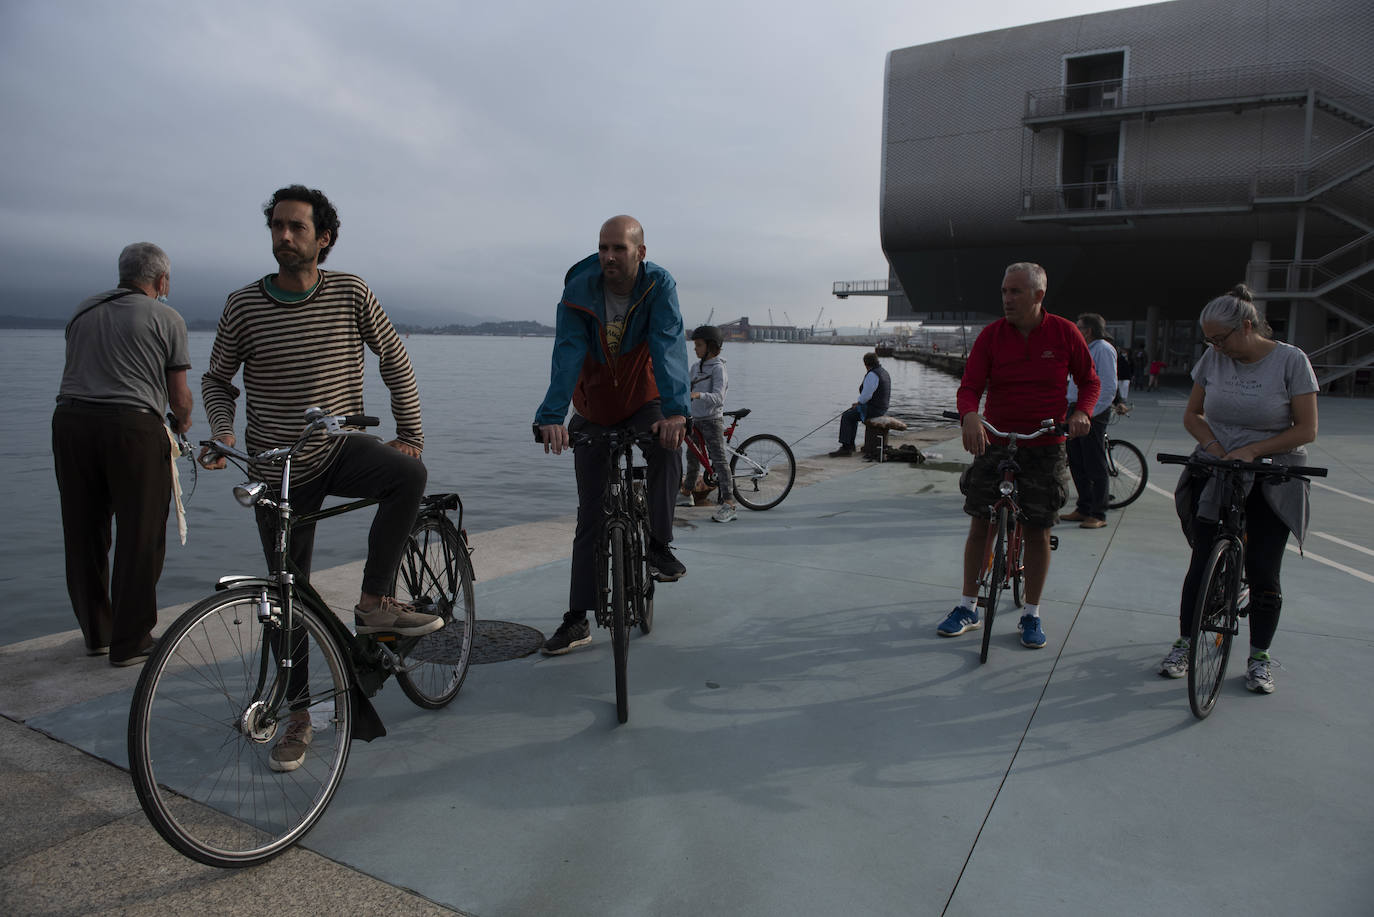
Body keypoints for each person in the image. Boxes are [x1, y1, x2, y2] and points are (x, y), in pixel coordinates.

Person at [201, 184, 441, 771]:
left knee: (409, 474)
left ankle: (373, 601)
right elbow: (217, 380)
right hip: (274, 467)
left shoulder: (350, 292)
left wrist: (409, 430)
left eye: (297, 228)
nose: (284, 236)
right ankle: (300, 716)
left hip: (336, 447)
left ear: (323, 238)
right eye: (277, 226)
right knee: (288, 595)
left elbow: (393, 357)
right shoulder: (243, 305)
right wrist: (222, 432)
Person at [534, 215, 691, 656]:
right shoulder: (579, 289)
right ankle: (576, 619)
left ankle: (659, 543)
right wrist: (551, 415)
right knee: (591, 514)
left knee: (667, 447)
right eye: (603, 247)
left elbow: (668, 344)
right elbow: (566, 352)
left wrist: (677, 412)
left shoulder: (658, 286)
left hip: (645, 400)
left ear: (640, 252)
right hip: (595, 406)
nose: (608, 257)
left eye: (619, 248)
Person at [1157, 284, 1318, 694]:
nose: (1215, 346)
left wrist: (1253, 450)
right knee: (1202, 559)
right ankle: (1186, 641)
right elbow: (1193, 415)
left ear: (1247, 326)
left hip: (1271, 473)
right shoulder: (1213, 359)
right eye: (1208, 340)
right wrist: (1215, 448)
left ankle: (1259, 656)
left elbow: (1307, 428)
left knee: (1265, 568)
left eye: (1221, 338)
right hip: (1219, 467)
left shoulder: (1290, 361)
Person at [938, 263, 1098, 649]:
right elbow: (971, 385)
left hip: (1044, 443)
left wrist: (1081, 413)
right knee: (981, 523)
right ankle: (968, 605)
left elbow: (1089, 381)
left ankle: (1031, 613)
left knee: (1039, 529)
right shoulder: (992, 336)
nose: (1007, 299)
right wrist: (971, 414)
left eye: (1015, 292)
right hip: (995, 440)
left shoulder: (1063, 333)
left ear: (1038, 295)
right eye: (1004, 291)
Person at [53, 243, 193, 666]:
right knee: (142, 534)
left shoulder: (82, 310)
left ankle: (97, 633)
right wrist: (182, 424)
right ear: (162, 281)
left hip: (70, 424)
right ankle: (131, 643)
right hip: (132, 429)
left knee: (84, 531)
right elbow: (179, 396)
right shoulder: (167, 317)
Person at [1062, 313, 1117, 529]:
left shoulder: (1103, 349)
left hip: (1092, 411)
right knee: (1077, 460)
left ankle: (1098, 513)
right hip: (1076, 408)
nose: (1076, 330)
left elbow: (1109, 387)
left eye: (1079, 327)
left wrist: (1088, 413)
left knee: (1094, 462)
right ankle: (1083, 508)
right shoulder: (1086, 348)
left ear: (1088, 330)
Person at [683, 324, 736, 523]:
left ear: (711, 347)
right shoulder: (695, 367)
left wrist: (698, 394)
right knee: (691, 456)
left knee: (719, 460)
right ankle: (687, 493)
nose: (695, 348)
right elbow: (686, 389)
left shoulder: (719, 368)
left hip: (712, 420)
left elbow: (719, 398)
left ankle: (729, 503)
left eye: (698, 345)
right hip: (695, 419)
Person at [830, 352, 891, 456]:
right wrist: (859, 404)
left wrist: (859, 403)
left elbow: (867, 395)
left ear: (866, 364)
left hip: (874, 409)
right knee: (852, 415)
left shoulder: (872, 374)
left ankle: (846, 447)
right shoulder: (883, 372)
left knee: (847, 416)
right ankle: (850, 445)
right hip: (882, 408)